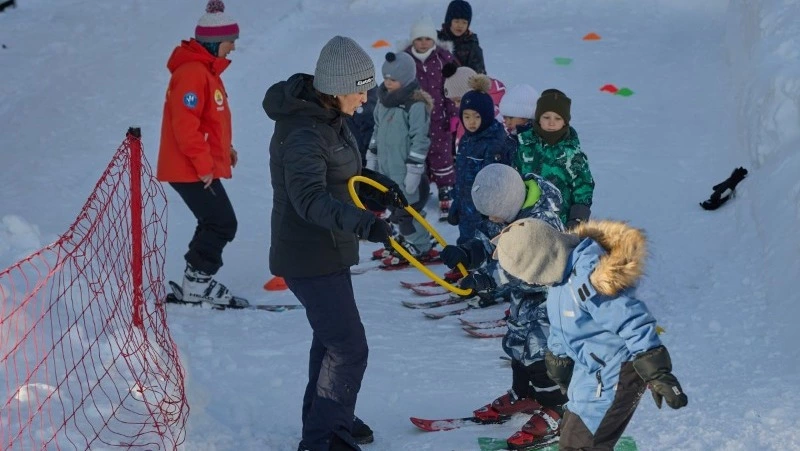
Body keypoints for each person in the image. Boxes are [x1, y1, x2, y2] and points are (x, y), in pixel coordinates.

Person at [263, 36, 410, 451]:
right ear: (335, 87)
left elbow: (341, 175)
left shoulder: (328, 116)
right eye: (360, 89)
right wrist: (364, 223)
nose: (366, 96)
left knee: (331, 339)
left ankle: (329, 417)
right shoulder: (304, 132)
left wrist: (377, 188)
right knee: (348, 346)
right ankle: (325, 438)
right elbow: (309, 199)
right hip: (308, 254)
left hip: (327, 249)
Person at [493, 218, 688, 450]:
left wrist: (657, 372)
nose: (529, 281)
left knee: (581, 443)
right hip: (591, 371)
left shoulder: (589, 277)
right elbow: (560, 323)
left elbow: (631, 320)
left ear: (542, 261)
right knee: (570, 433)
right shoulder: (560, 279)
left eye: (528, 275)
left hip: (617, 373)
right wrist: (558, 359)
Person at [440, 164, 568, 450]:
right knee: (516, 343)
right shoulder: (509, 208)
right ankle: (524, 393)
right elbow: (491, 239)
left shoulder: (540, 223)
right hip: (526, 296)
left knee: (539, 352)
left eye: (496, 213)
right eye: (490, 215)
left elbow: (524, 266)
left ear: (510, 203)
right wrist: (468, 251)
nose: (493, 219)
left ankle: (557, 408)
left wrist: (486, 280)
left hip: (551, 295)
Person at [157, 0, 242, 307]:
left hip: (194, 164)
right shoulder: (193, 72)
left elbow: (208, 119)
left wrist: (224, 150)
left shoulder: (204, 71)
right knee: (221, 222)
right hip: (189, 167)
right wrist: (205, 164)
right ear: (214, 41)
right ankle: (197, 284)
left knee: (214, 220)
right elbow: (185, 126)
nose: (232, 47)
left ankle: (195, 280)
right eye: (230, 41)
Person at [366, 52, 437, 267]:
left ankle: (421, 246)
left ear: (405, 79)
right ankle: (408, 239)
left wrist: (415, 169)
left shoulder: (414, 105)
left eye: (393, 79)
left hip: (406, 172)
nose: (387, 83)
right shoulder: (383, 102)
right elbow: (377, 131)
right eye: (385, 78)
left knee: (408, 212)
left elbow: (420, 139)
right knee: (395, 211)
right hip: (388, 171)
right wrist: (372, 156)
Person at [448, 75, 516, 244]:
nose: (471, 122)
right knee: (465, 240)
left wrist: (493, 211)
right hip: (466, 208)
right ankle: (464, 266)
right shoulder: (467, 139)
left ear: (486, 116)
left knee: (482, 245)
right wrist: (457, 203)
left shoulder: (495, 142)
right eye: (467, 116)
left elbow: (495, 182)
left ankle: (478, 268)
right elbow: (462, 175)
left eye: (477, 117)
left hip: (485, 213)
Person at [403, 16, 458, 220]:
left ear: (434, 40)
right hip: (414, 120)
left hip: (439, 120)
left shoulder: (443, 59)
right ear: (413, 41)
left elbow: (451, 89)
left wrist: (453, 115)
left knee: (441, 155)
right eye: (419, 39)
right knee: (417, 155)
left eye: (427, 39)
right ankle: (420, 193)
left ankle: (446, 190)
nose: (423, 43)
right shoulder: (406, 60)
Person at [514, 89, 594, 228]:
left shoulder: (573, 154)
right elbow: (513, 178)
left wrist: (576, 221)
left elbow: (583, 189)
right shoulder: (524, 146)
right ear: (538, 118)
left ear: (565, 122)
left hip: (559, 224)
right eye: (546, 117)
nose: (551, 123)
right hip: (524, 221)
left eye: (557, 118)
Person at [442, 62, 506, 150]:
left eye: (459, 100)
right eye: (453, 102)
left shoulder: (490, 113)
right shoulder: (469, 112)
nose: (456, 105)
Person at [437, 0, 486, 74]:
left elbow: (479, 74)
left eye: (464, 22)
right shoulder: (436, 39)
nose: (460, 26)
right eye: (456, 21)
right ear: (449, 21)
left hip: (462, 84)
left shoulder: (472, 46)